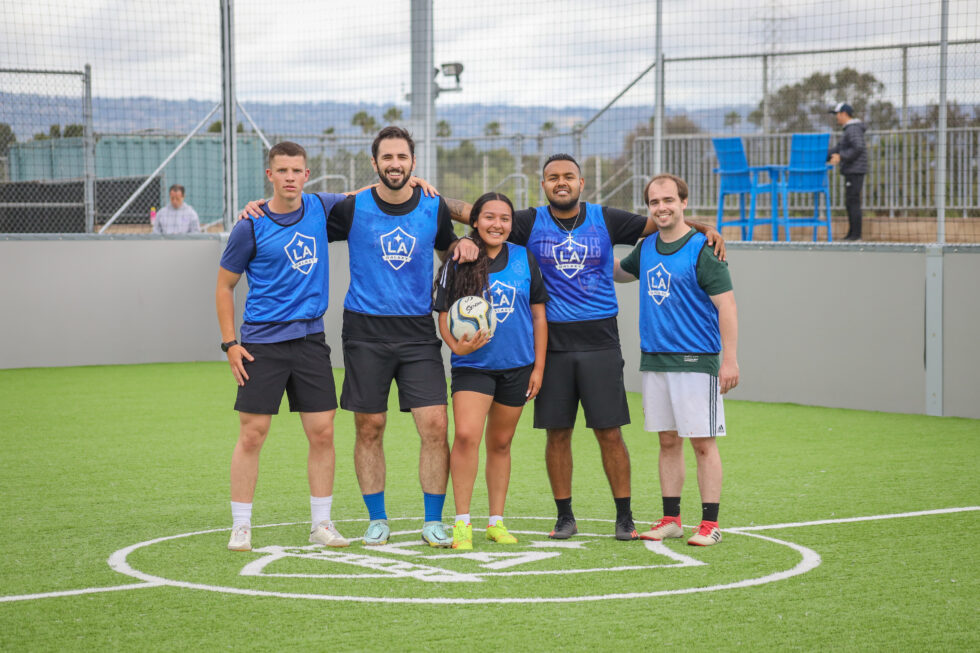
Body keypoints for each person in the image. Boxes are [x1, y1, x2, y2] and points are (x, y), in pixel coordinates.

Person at [447, 154, 725, 541]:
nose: (561, 182)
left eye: (569, 177)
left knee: (609, 432)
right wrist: (431, 202)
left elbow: (663, 220)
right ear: (543, 185)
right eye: (552, 177)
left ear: (582, 183)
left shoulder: (606, 218)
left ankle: (624, 516)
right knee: (557, 433)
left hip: (600, 340)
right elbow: (475, 213)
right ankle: (565, 516)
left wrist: (703, 226)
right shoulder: (527, 222)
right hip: (553, 343)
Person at [239, 126, 478, 548]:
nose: (395, 164)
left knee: (435, 425)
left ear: (413, 163)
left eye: (402, 157)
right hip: (365, 330)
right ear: (374, 164)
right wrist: (259, 205)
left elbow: (449, 241)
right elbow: (295, 208)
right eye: (386, 158)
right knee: (370, 426)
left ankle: (432, 521)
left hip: (418, 330)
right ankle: (377, 520)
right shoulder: (350, 208)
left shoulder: (434, 205)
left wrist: (465, 246)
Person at [215, 141, 349, 552]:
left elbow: (370, 197)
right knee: (253, 434)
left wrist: (411, 183)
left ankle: (321, 524)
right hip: (262, 344)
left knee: (322, 432)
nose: (290, 177)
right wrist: (230, 344)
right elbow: (224, 285)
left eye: (297, 171)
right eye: (282, 170)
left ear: (307, 176)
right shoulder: (250, 225)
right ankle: (241, 526)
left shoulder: (321, 209)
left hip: (310, 341)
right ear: (269, 175)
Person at [614, 173, 738, 547]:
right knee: (667, 442)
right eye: (654, 202)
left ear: (684, 202)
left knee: (703, 443)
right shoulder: (648, 245)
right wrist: (588, 254)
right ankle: (671, 519)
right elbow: (620, 273)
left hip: (696, 360)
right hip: (656, 361)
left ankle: (710, 524)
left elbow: (727, 306)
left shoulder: (703, 248)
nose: (661, 207)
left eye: (668, 200)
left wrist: (730, 359)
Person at [433, 192, 549, 550]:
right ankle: (462, 523)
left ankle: (496, 522)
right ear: (475, 222)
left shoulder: (523, 258)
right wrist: (456, 346)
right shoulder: (460, 259)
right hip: (473, 366)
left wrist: (538, 367)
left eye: (504, 219)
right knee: (467, 436)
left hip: (517, 366)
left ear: (511, 226)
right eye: (489, 217)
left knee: (501, 444)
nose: (497, 225)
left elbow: (539, 315)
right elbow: (441, 312)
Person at [827, 102, 868, 241]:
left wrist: (841, 156)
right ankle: (852, 234)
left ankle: (856, 236)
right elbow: (838, 148)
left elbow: (858, 147)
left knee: (853, 202)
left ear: (844, 114)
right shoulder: (849, 129)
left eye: (837, 114)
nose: (836, 117)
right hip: (852, 170)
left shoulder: (853, 129)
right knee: (850, 202)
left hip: (855, 170)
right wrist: (820, 155)